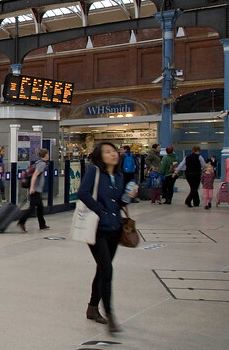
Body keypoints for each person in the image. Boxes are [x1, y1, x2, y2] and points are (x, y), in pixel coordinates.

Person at [77, 141, 135, 333]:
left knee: (102, 270)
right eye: (108, 152)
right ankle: (110, 314)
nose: (113, 154)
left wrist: (128, 197)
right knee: (107, 270)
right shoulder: (94, 172)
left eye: (114, 151)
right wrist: (99, 209)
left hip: (114, 229)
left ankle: (92, 307)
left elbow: (118, 201)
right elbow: (82, 192)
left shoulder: (118, 176)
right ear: (99, 156)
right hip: (97, 229)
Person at [17, 148, 50, 232]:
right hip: (35, 190)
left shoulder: (38, 162)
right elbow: (35, 175)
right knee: (32, 208)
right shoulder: (42, 164)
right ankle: (22, 222)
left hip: (36, 189)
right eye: (48, 154)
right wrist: (32, 188)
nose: (48, 155)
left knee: (40, 207)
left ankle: (42, 224)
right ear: (45, 155)